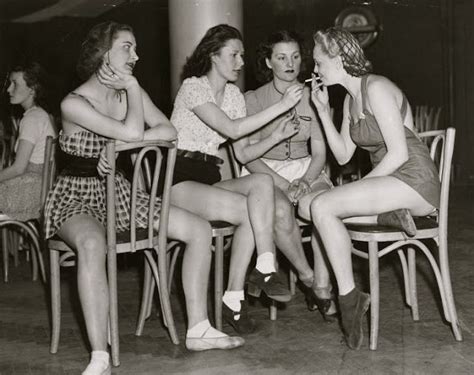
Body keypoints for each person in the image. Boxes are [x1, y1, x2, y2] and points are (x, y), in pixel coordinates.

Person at [43, 21, 244, 375]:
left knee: (198, 229)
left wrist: (121, 144)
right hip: (76, 195)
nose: (135, 56)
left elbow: (169, 131)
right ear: (103, 53)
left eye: (135, 48)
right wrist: (133, 102)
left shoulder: (126, 94)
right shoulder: (73, 103)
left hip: (119, 193)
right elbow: (139, 129)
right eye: (127, 47)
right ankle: (100, 355)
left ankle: (198, 328)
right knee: (91, 244)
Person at [307, 27, 440, 350]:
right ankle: (387, 217)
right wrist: (324, 112)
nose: (314, 71)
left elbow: (399, 153)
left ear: (338, 59)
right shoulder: (351, 101)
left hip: (412, 178)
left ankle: (349, 298)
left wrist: (361, 187)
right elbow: (342, 155)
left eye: (318, 63)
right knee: (309, 205)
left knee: (322, 207)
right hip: (391, 184)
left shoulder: (376, 87)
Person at [170, 24, 303, 334]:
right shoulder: (193, 87)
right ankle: (245, 286)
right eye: (234, 55)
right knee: (249, 210)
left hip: (210, 179)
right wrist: (283, 106)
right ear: (213, 55)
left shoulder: (233, 96)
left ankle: (256, 274)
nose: (241, 63)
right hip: (178, 180)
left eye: (242, 56)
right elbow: (230, 129)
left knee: (262, 185)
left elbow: (243, 154)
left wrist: (276, 137)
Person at [232, 30, 336, 320]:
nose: (290, 63)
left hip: (307, 168)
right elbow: (249, 156)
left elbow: (319, 153)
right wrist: (283, 184)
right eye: (281, 57)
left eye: (295, 56)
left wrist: (304, 181)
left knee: (324, 206)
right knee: (278, 211)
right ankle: (308, 278)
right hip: (265, 170)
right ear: (268, 62)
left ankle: (324, 286)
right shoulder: (251, 99)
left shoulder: (314, 96)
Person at [0, 62, 56, 220]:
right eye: (9, 83)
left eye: (15, 84)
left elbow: (18, 168)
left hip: (31, 191)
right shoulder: (40, 115)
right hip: (39, 187)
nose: (9, 89)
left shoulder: (32, 119)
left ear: (32, 89)